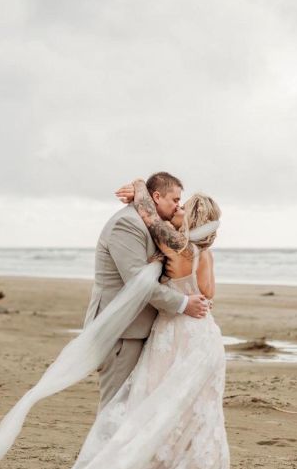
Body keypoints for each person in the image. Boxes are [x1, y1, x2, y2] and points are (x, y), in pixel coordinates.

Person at [56, 179, 230, 469]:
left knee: (149, 403)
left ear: (189, 218)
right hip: (205, 336)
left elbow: (151, 221)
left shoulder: (176, 247)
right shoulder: (205, 253)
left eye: (181, 205)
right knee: (193, 410)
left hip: (176, 330)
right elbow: (209, 294)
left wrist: (140, 192)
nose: (176, 208)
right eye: (174, 201)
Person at [85, 172, 209, 410]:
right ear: (156, 196)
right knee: (114, 406)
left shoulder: (150, 223)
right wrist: (184, 303)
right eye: (174, 200)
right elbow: (137, 283)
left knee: (130, 406)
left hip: (136, 328)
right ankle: (101, 449)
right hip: (121, 330)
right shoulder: (127, 224)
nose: (177, 206)